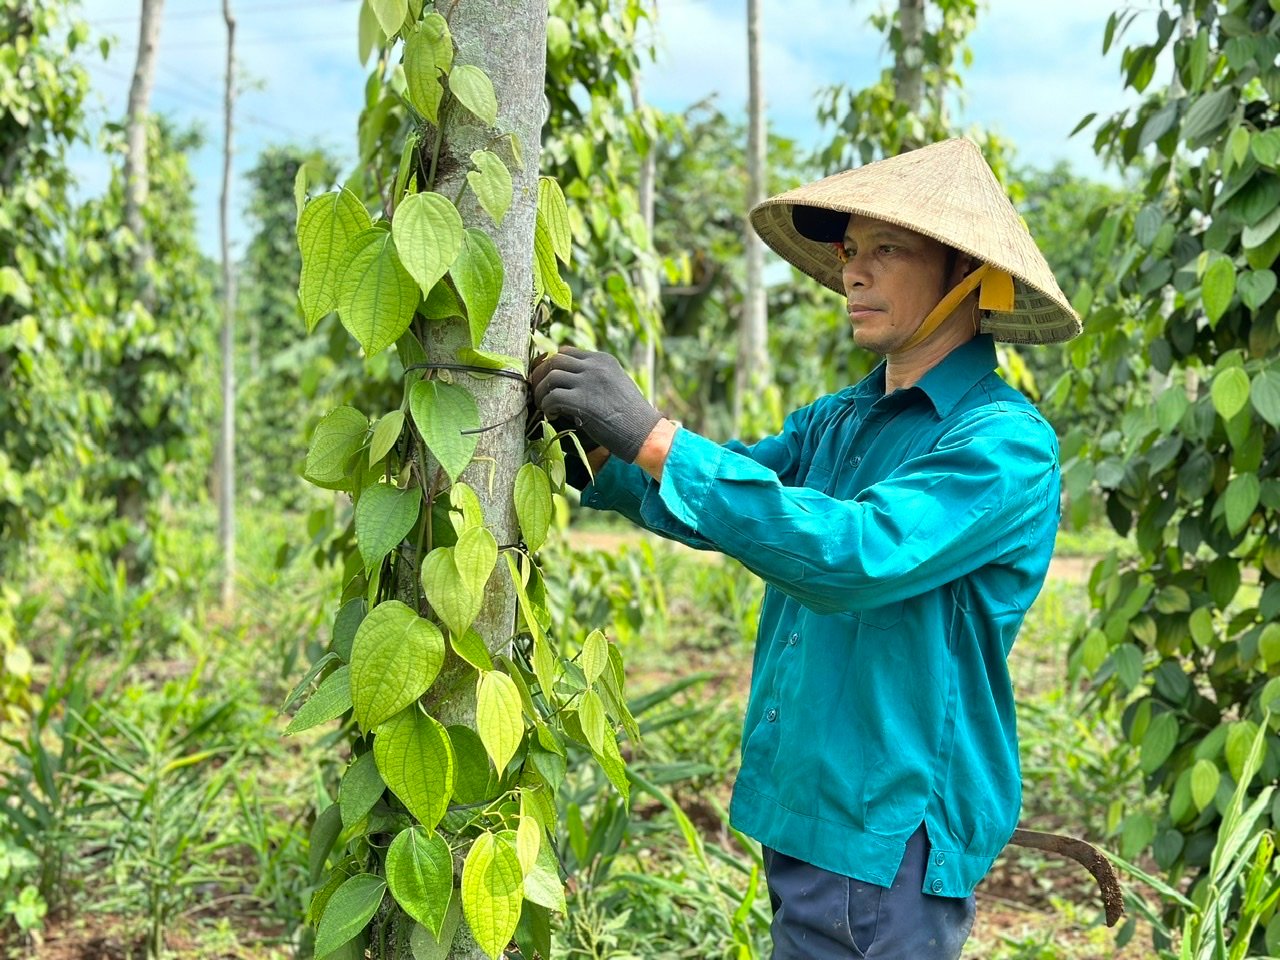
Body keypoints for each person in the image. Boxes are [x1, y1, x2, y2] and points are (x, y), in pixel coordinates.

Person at [530, 138, 1080, 959]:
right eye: (851, 251)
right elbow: (724, 503)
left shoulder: (1002, 447)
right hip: (809, 805)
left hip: (889, 831)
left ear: (967, 272)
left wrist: (656, 437)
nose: (855, 273)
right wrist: (601, 451)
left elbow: (853, 554)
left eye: (888, 250)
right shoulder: (838, 420)